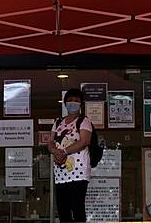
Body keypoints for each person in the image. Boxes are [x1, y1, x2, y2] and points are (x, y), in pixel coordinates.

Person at [48, 88, 92, 222]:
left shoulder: (84, 121)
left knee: (77, 208)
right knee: (63, 210)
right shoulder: (58, 122)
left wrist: (64, 152)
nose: (73, 103)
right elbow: (50, 142)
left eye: (76, 101)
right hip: (61, 174)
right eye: (70, 100)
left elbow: (84, 141)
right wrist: (55, 151)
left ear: (81, 104)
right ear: (65, 103)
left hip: (78, 173)